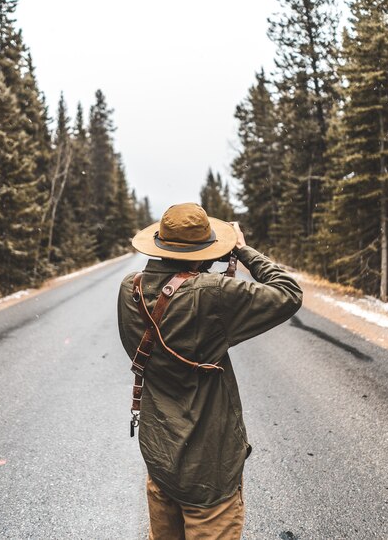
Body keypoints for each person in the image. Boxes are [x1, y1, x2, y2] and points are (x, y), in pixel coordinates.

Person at [117, 202, 302, 540]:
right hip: (209, 471)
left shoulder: (130, 289)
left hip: (160, 459)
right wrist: (243, 251)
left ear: (160, 243)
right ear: (206, 249)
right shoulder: (216, 295)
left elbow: (179, 295)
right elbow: (288, 293)